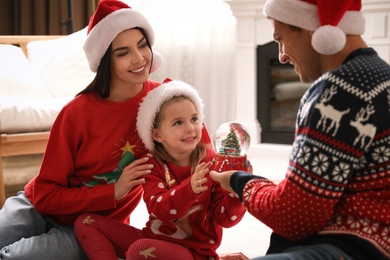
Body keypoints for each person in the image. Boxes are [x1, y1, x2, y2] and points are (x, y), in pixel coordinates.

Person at [0, 1, 211, 259]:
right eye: (123, 53)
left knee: (13, 257)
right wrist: (112, 192)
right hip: (35, 206)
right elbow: (45, 194)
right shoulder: (76, 113)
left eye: (142, 45)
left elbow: (204, 156)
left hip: (94, 225)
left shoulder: (165, 103)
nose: (139, 58)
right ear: (104, 60)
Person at [210, 0, 390, 259]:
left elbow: (293, 218)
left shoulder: (340, 90)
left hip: (355, 247)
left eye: (280, 38)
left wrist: (238, 181)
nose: (281, 54)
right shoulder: (380, 76)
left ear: (309, 29)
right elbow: (311, 196)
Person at [74, 79, 248, 260]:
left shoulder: (212, 163)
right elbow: (160, 210)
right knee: (86, 222)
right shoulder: (150, 165)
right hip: (153, 240)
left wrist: (236, 188)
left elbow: (226, 220)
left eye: (194, 119)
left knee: (139, 250)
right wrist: (190, 189)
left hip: (194, 253)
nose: (190, 128)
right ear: (157, 135)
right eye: (178, 123)